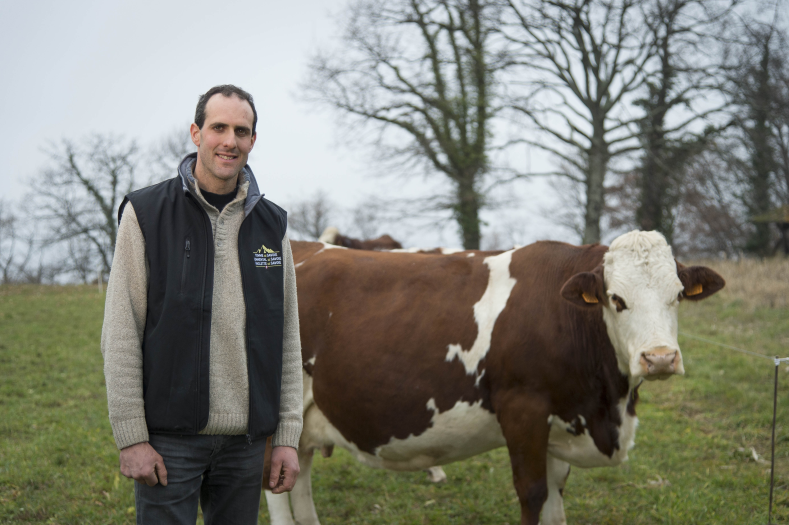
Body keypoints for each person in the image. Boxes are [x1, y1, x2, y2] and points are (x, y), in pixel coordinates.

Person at [101, 84, 303, 524]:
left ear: (253, 140)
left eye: (242, 131)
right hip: (168, 441)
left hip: (248, 445)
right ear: (196, 133)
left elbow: (287, 339)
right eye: (219, 127)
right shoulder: (146, 213)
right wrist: (131, 437)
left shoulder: (272, 226)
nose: (230, 140)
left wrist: (287, 436)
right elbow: (120, 333)